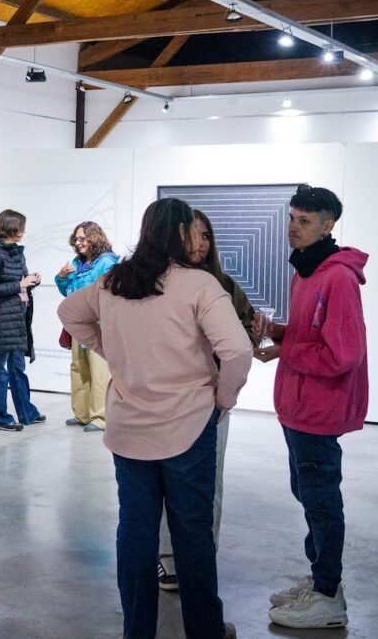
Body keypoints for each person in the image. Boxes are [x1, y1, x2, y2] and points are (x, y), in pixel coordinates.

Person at [59, 198, 249, 639]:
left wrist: (109, 348)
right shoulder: (198, 284)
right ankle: (205, 630)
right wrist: (223, 398)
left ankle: (138, 630)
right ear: (180, 232)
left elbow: (69, 313)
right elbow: (238, 350)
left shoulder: (114, 281)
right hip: (189, 426)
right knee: (192, 535)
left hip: (129, 430)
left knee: (136, 533)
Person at [254, 185, 368, 630]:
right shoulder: (306, 272)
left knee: (321, 501)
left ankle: (327, 595)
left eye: (304, 221)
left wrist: (286, 351)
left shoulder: (337, 278)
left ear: (328, 225)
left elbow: (344, 355)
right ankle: (321, 579)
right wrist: (278, 331)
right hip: (298, 406)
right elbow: (311, 334)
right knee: (308, 495)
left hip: (318, 409)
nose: (293, 227)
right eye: (291, 218)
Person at [157, 209, 258, 591]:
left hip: (210, 402)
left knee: (207, 482)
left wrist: (224, 395)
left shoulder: (223, 285)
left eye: (206, 236)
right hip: (166, 400)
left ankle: (200, 557)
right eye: (192, 235)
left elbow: (244, 336)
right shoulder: (154, 284)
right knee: (162, 482)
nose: (200, 244)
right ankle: (168, 557)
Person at [0, 209, 44, 432]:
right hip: (0, 318)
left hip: (17, 317)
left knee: (18, 366)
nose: (23, 232)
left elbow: (21, 282)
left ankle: (27, 411)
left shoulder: (16, 252)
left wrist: (31, 281)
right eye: (20, 228)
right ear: (10, 227)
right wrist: (20, 284)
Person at [55, 221, 119, 432]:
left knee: (99, 370)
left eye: (82, 238)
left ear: (94, 238)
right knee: (79, 368)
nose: (78, 243)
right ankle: (82, 414)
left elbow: (108, 293)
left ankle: (100, 417)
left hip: (98, 325)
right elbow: (67, 291)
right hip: (78, 324)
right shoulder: (77, 262)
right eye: (76, 239)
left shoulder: (107, 262)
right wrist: (61, 278)